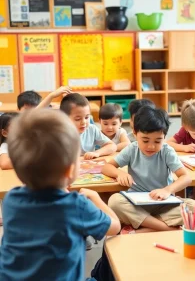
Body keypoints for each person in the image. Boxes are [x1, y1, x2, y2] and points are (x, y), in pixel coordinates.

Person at [0, 108, 120, 280]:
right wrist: (94, 197)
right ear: (70, 170)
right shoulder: (76, 205)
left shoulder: (11, 199)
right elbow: (115, 227)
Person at [102, 106, 195, 234]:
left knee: (194, 206)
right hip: (137, 204)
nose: (151, 146)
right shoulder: (132, 149)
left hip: (164, 204)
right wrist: (119, 173)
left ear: (164, 136)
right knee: (114, 201)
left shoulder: (167, 151)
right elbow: (107, 167)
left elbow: (186, 177)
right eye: (145, 140)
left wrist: (166, 190)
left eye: (158, 141)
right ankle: (165, 228)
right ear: (135, 134)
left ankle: (143, 228)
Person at [60, 93, 117, 159]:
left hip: (90, 166)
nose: (84, 122)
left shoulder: (92, 129)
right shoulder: (61, 133)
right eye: (78, 119)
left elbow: (112, 146)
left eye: (87, 117)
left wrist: (97, 153)